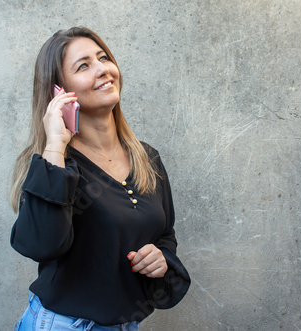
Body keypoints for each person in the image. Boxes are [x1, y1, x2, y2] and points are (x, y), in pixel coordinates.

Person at [10, 27, 190, 331]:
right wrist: (54, 145)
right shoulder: (54, 164)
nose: (103, 69)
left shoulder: (147, 157)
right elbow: (42, 245)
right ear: (59, 92)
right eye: (84, 65)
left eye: (103, 58)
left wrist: (161, 260)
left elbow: (165, 233)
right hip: (63, 325)